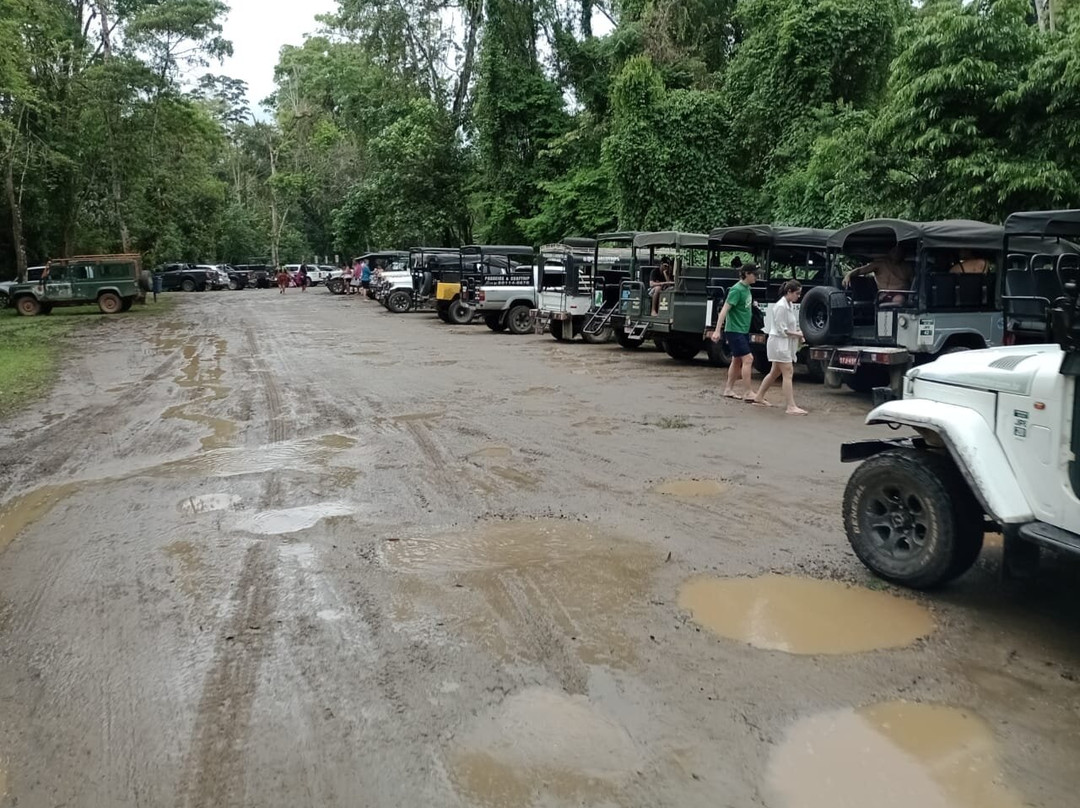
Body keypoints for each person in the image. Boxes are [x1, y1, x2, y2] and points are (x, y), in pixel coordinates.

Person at [750, 280, 808, 415]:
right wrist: (798, 334)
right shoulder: (781, 306)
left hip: (782, 342)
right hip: (779, 342)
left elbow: (789, 326)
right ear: (789, 292)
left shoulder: (788, 304)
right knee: (788, 372)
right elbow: (783, 330)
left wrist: (799, 335)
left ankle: (759, 396)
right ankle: (791, 406)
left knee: (775, 372)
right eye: (797, 293)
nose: (798, 296)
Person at [709, 264, 758, 400]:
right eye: (755, 274)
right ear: (747, 274)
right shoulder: (736, 290)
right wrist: (717, 330)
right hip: (734, 330)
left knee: (736, 360)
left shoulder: (747, 289)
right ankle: (748, 392)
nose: (757, 277)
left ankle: (728, 389)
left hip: (742, 329)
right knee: (748, 359)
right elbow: (724, 310)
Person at [842, 246, 912, 305]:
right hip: (882, 294)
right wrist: (849, 274)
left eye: (899, 251)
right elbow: (860, 270)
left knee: (899, 299)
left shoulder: (908, 267)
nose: (896, 253)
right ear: (889, 252)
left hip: (899, 295)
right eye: (894, 251)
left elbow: (914, 283)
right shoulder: (879, 264)